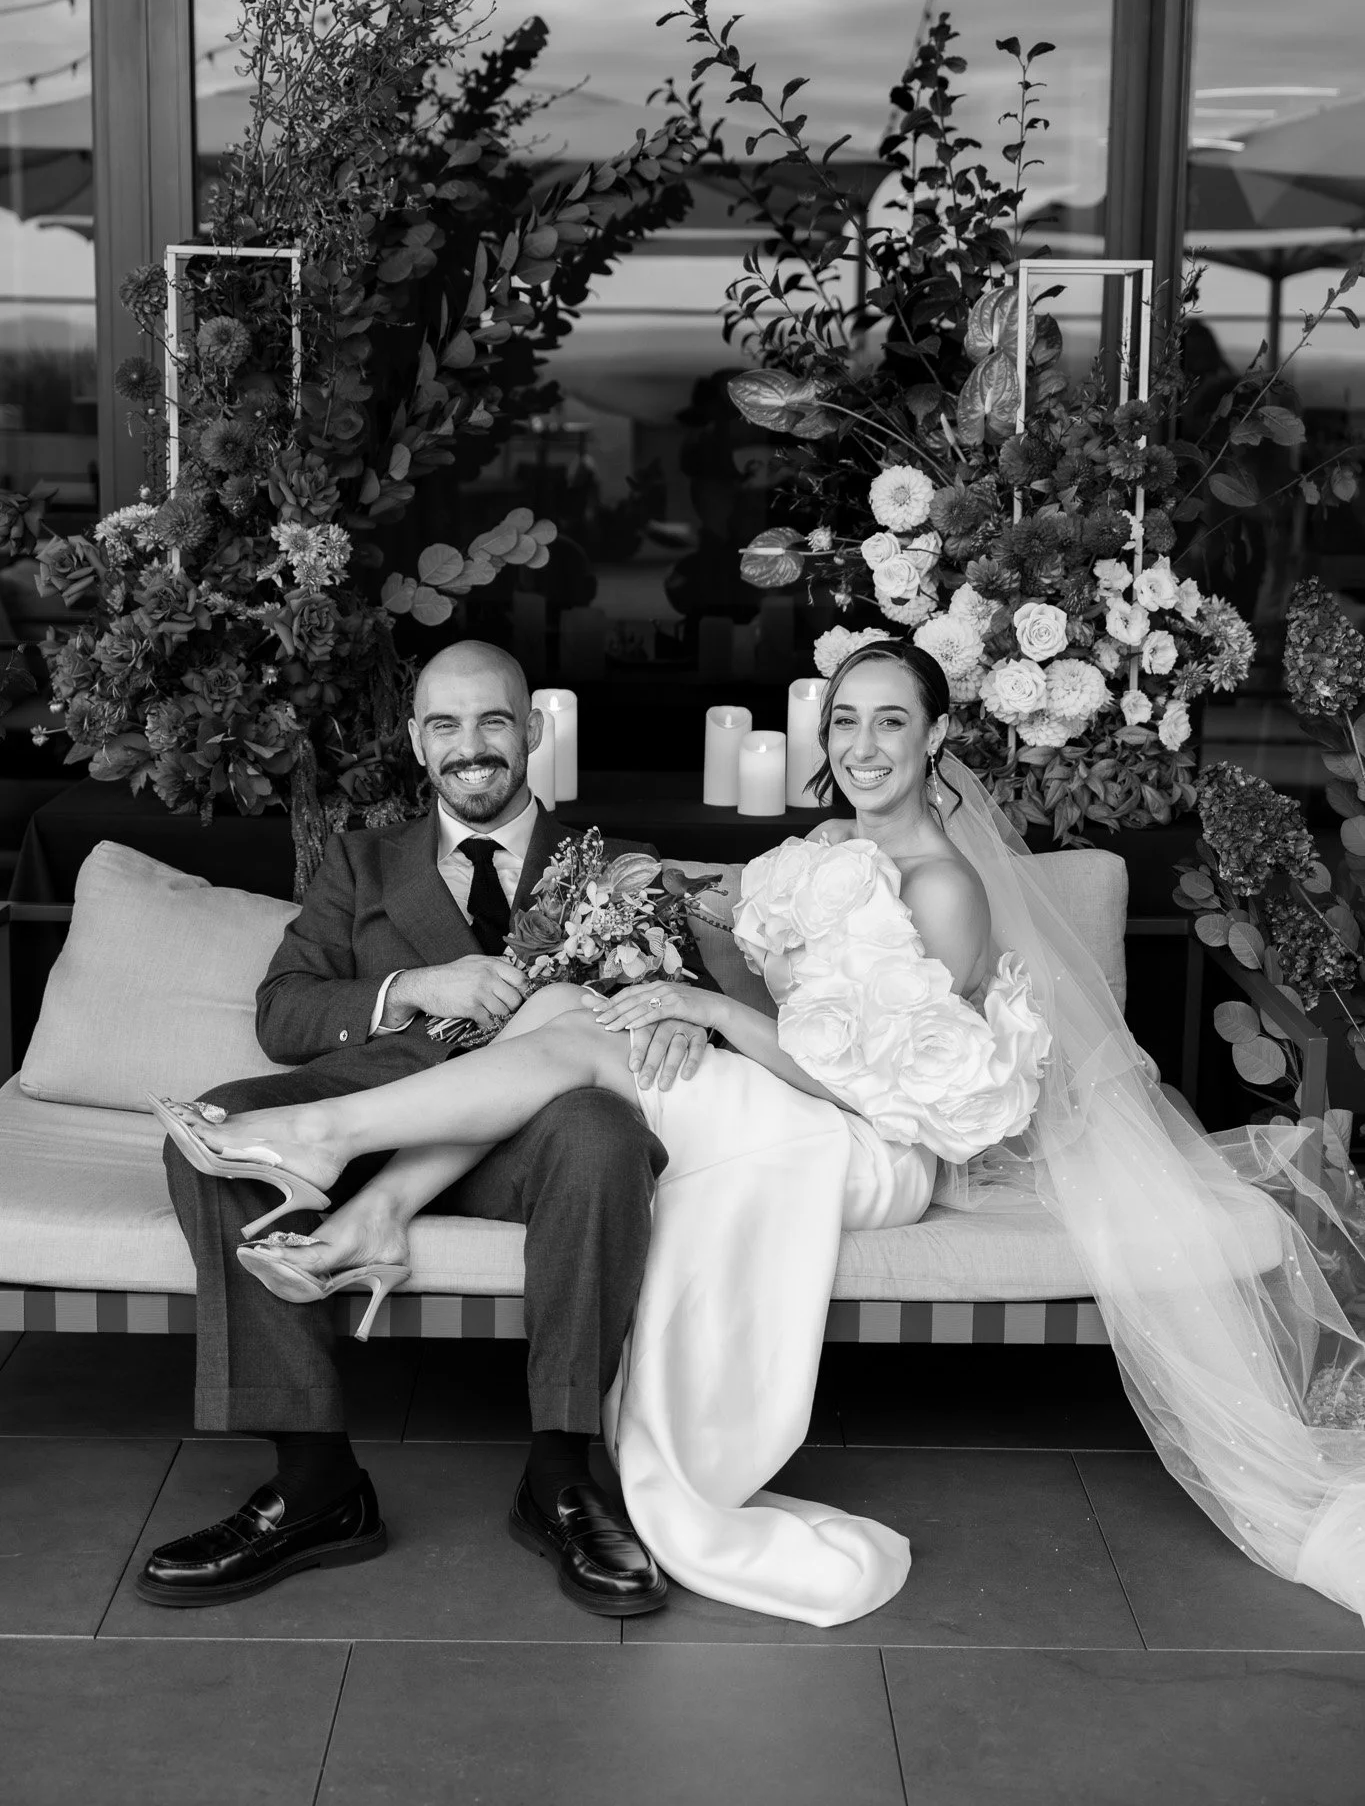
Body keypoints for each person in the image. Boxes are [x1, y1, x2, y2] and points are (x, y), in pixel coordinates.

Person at [146, 639, 1365, 1630]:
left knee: (580, 1049)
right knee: (541, 1031)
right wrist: (652, 941)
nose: (865, 743)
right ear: (416, 742)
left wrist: (691, 1001)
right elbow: (287, 1005)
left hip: (821, 1131)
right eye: (848, 722)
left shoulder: (934, 881)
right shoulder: (816, 852)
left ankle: (412, 1260)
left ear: (937, 735)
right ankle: (337, 1328)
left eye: (892, 722)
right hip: (680, 1085)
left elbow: (882, 1078)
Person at [138, 640, 719, 1618]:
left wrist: (664, 1008)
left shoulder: (616, 867)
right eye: (444, 724)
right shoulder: (360, 860)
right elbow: (283, 1011)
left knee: (602, 1132)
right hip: (364, 1134)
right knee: (212, 1126)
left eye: (493, 719)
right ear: (416, 740)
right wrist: (412, 985)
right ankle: (315, 1481)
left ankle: (562, 1476)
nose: (471, 745)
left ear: (532, 728)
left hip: (524, 1143)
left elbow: (687, 1000)